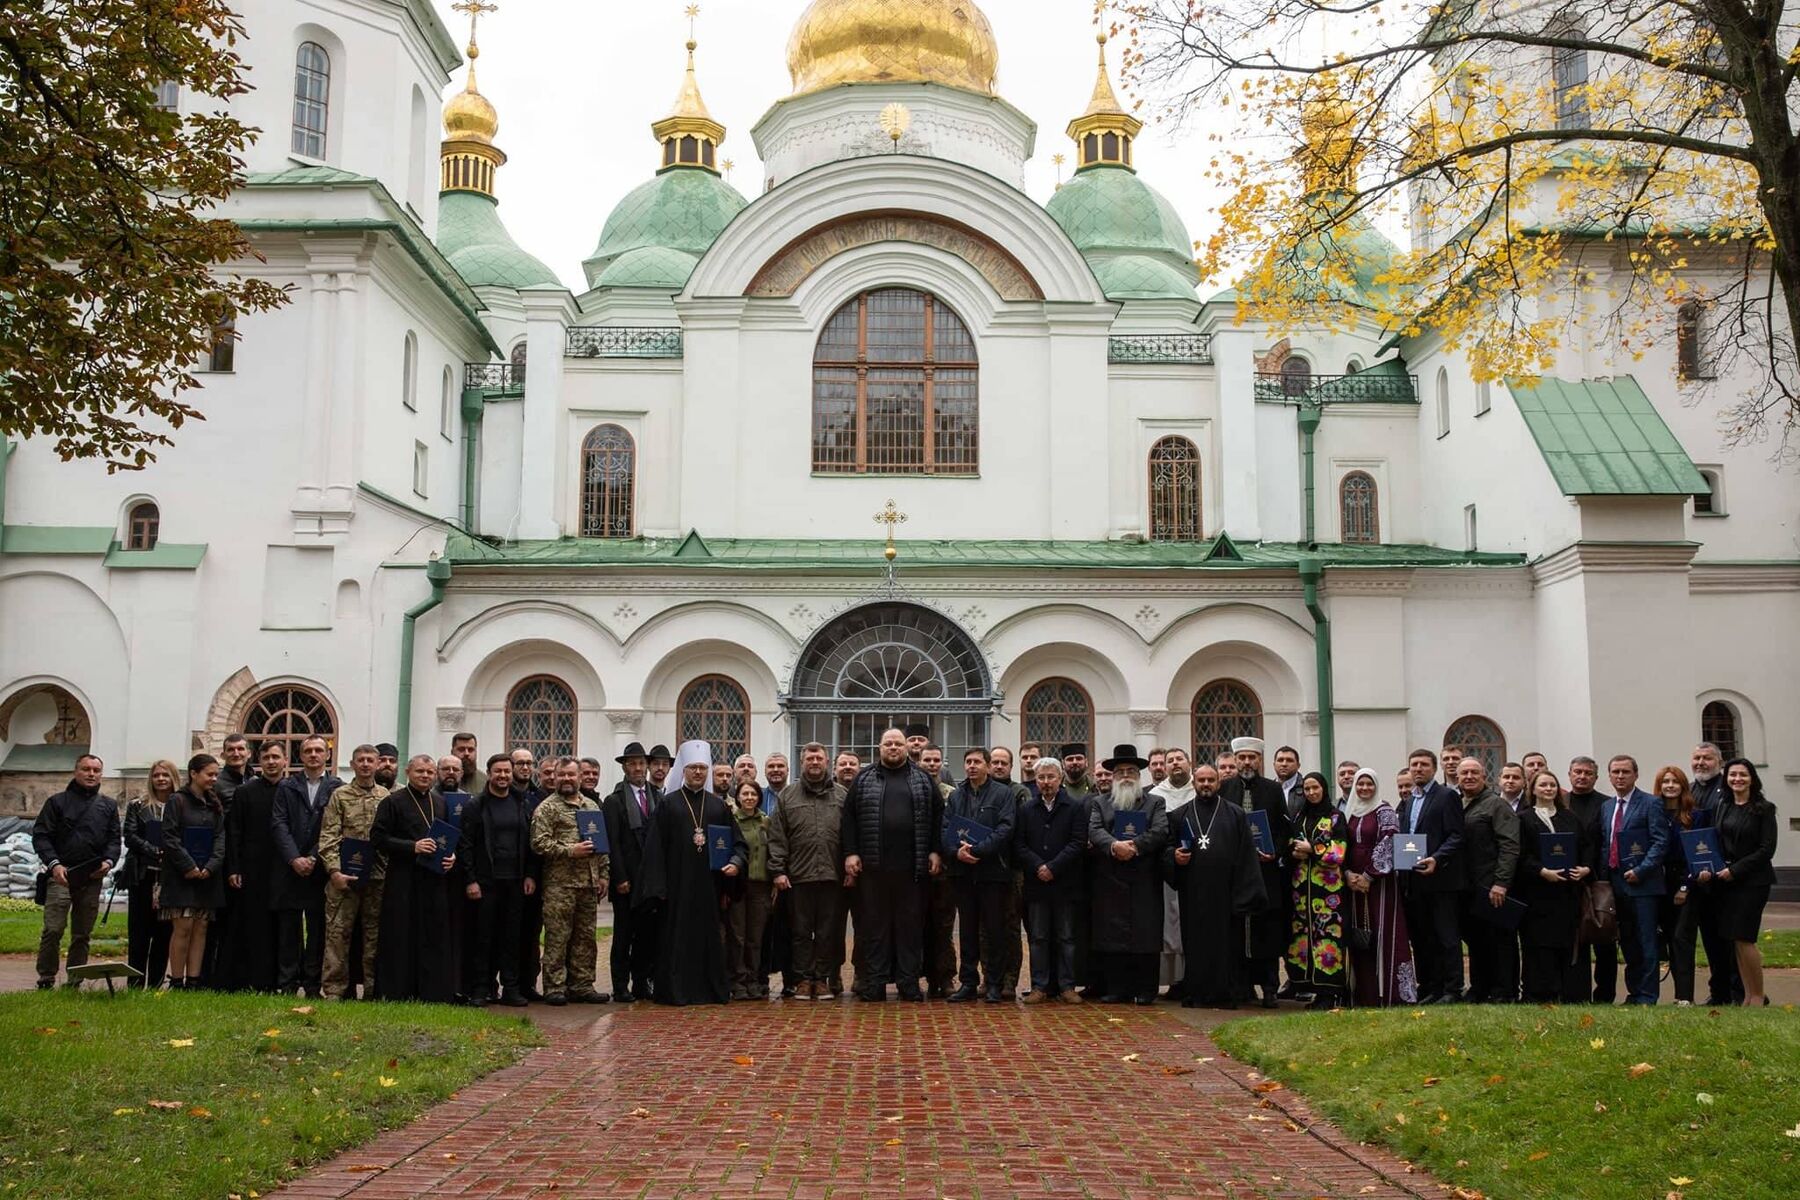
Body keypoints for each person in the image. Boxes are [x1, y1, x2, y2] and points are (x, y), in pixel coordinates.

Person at [840, 728, 942, 1001]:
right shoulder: (864, 778)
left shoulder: (922, 779)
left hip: (913, 870)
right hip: (874, 869)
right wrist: (851, 853)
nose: (894, 748)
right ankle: (875, 984)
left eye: (898, 743)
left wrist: (935, 851)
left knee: (910, 928)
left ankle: (909, 984)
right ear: (879, 747)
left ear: (907, 748)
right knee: (874, 929)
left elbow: (937, 817)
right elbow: (848, 819)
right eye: (889, 744)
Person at [640, 741, 745, 1005]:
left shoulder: (719, 807)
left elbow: (738, 843)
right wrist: (658, 887)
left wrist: (735, 861)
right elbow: (654, 849)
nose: (698, 772)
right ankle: (675, 990)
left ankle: (709, 990)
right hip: (676, 887)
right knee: (675, 939)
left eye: (702, 768)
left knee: (708, 938)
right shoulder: (668, 804)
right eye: (693, 768)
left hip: (709, 887)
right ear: (683, 771)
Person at [1162, 762, 1266, 1009]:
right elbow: (1165, 849)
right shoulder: (1180, 815)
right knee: (1195, 944)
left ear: (1219, 783)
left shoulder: (1235, 813)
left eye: (1211, 780)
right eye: (1201, 781)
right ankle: (1196, 992)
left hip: (1226, 893)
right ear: (1194, 783)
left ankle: (1226, 994)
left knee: (1227, 946)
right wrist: (1173, 857)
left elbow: (1246, 856)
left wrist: (1244, 893)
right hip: (1193, 892)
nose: (1206, 784)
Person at [369, 754, 459, 1002]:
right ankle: (397, 991)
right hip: (403, 879)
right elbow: (378, 839)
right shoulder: (392, 802)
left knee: (433, 934)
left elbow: (450, 839)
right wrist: (413, 847)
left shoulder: (440, 802)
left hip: (434, 880)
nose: (425, 776)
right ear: (408, 772)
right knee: (401, 934)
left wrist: (452, 857)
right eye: (420, 771)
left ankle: (433, 992)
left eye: (430, 772)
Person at [32, 753, 122, 990]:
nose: (91, 774)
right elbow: (41, 836)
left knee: (82, 934)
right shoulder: (56, 802)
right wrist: (54, 864)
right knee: (53, 929)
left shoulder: (108, 806)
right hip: (60, 876)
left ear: (101, 774)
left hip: (91, 878)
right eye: (86, 769)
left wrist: (109, 862)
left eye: (96, 770)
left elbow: (114, 839)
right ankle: (46, 977)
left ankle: (75, 980)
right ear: (76, 771)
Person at [1087, 745, 1168, 1005]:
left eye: (1130, 771)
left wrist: (1134, 847)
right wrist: (1114, 846)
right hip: (1110, 879)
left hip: (1144, 878)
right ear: (1111, 776)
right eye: (1119, 771)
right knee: (1113, 936)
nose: (1125, 776)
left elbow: (1160, 830)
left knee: (1145, 935)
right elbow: (1095, 830)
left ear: (1138, 774)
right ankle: (1117, 988)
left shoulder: (1155, 801)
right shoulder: (1100, 802)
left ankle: (1146, 990)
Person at [529, 758, 609, 1006]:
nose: (566, 779)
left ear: (579, 777)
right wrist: (569, 850)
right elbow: (538, 843)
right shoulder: (547, 808)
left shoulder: (591, 806)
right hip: (559, 885)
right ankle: (554, 987)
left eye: (571, 775)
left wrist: (604, 874)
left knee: (585, 938)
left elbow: (602, 845)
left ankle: (582, 985)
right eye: (561, 775)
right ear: (554, 776)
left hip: (588, 883)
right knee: (557, 938)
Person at [768, 742, 844, 1000]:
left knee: (827, 932)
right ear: (802, 763)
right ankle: (801, 979)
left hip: (832, 876)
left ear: (827, 762)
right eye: (809, 759)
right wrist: (778, 870)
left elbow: (850, 836)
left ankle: (821, 979)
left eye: (819, 759)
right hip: (798, 877)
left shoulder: (841, 795)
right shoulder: (788, 796)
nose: (814, 763)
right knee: (800, 932)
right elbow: (777, 837)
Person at [940, 748, 1016, 1003]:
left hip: (992, 872)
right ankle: (968, 983)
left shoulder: (1003, 794)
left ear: (986, 766)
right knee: (967, 931)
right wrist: (956, 852)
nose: (971, 766)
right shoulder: (956, 796)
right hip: (962, 873)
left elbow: (1006, 828)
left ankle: (993, 983)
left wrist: (979, 850)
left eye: (977, 762)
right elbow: (945, 828)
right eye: (968, 762)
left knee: (994, 930)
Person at [1218, 737, 1289, 1007]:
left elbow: (1284, 830)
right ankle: (1241, 987)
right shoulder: (1225, 788)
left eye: (1252, 758)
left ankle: (1269, 987)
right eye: (1242, 758)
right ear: (1235, 760)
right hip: (1236, 874)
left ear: (1259, 760)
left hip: (1265, 872)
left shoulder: (1273, 790)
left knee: (1265, 930)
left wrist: (1276, 852)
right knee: (1236, 930)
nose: (1247, 762)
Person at [461, 755, 535, 1006]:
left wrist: (529, 875)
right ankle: (481, 988)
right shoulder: (476, 805)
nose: (503, 776)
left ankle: (511, 988)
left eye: (507, 771)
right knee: (484, 938)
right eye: (498, 772)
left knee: (511, 937)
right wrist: (470, 880)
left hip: (515, 881)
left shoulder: (521, 802)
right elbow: (466, 845)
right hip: (486, 882)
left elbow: (530, 843)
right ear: (489, 773)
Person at [271, 736, 341, 998]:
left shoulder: (336, 787)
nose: (313, 755)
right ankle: (287, 983)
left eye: (318, 750)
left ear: (327, 756)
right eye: (308, 751)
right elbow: (278, 824)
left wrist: (313, 857)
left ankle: (313, 984)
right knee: (289, 928)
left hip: (319, 868)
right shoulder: (287, 786)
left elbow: (334, 828)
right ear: (301, 756)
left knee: (317, 929)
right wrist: (294, 858)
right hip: (290, 868)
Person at [1515, 768, 1592, 1003]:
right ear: (1533, 789)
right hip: (1538, 894)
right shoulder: (1523, 819)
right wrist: (1541, 871)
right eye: (1543, 785)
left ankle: (1571, 994)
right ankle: (1540, 994)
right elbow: (1520, 854)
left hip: (1568, 893)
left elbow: (1586, 847)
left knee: (1569, 944)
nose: (1548, 789)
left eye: (1552, 785)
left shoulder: (1571, 817)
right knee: (1539, 945)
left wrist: (1586, 868)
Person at [1395, 749, 1466, 1004]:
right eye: (1414, 765)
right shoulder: (1409, 800)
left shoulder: (1447, 796)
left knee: (1446, 936)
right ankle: (1430, 987)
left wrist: (1437, 858)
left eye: (1424, 765)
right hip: (1414, 881)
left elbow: (1457, 835)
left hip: (1441, 880)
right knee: (1423, 938)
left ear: (1434, 769)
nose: (1418, 769)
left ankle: (1452, 989)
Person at [318, 744, 387, 1001]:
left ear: (378, 764)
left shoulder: (387, 796)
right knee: (337, 934)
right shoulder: (340, 795)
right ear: (353, 763)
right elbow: (328, 836)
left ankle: (372, 990)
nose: (366, 764)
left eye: (371, 760)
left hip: (377, 877)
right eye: (361, 760)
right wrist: (334, 870)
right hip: (343, 878)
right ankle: (335, 990)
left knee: (374, 936)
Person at [1342, 769, 1416, 1008]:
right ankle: (1364, 994)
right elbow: (1340, 843)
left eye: (1369, 784)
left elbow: (1389, 842)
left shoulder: (1385, 811)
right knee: (1359, 937)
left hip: (1379, 885)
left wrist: (1368, 875)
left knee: (1383, 934)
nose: (1364, 788)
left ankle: (1389, 994)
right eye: (1360, 784)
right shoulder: (1348, 811)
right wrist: (1348, 875)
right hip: (1352, 884)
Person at [1706, 759, 1778, 1007]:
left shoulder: (1764, 808)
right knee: (1735, 939)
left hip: (1753, 882)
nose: (1737, 779)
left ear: (1752, 778)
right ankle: (1746, 995)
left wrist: (1735, 871)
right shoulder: (1723, 806)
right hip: (1726, 883)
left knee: (1746, 937)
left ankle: (1758, 996)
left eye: (1742, 775)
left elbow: (1766, 849)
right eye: (1732, 775)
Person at [219, 739, 289, 992]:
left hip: (284, 867)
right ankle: (247, 979)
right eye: (267, 757)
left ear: (285, 761)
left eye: (275, 757)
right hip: (251, 867)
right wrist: (234, 868)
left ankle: (276, 980)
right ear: (259, 761)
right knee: (251, 924)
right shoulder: (245, 792)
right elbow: (234, 831)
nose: (271, 762)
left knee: (279, 926)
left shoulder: (291, 790)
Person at [1016, 758, 1087, 1003]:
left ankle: (1067, 986)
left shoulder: (1075, 807)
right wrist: (1038, 866)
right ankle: (1039, 986)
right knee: (1038, 937)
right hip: (1037, 884)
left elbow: (1078, 842)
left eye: (1051, 777)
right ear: (1035, 781)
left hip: (1065, 883)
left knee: (1066, 937)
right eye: (1041, 778)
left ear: (1061, 778)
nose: (1046, 782)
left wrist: (1053, 867)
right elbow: (1019, 844)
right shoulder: (1026, 809)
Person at [1599, 755, 1668, 1005]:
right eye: (1615, 772)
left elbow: (1661, 842)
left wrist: (1642, 870)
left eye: (1625, 772)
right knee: (1627, 941)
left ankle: (1648, 995)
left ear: (1636, 775)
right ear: (1609, 776)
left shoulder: (1651, 804)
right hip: (1616, 883)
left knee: (1646, 940)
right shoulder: (1607, 807)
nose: (1620, 776)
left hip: (1643, 884)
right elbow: (1606, 845)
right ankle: (1634, 992)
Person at [1456, 757, 1520, 1004]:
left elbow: (1510, 845)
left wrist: (1501, 882)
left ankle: (1504, 991)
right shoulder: (1459, 804)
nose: (1469, 777)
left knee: (1500, 941)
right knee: (1476, 940)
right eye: (1464, 773)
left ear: (1485, 777)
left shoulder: (1496, 805)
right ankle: (1480, 988)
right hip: (1468, 887)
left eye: (1474, 772)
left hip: (1492, 885)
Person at [159, 754, 227, 989]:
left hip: (207, 875)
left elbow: (220, 837)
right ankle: (177, 979)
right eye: (210, 774)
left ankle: (194, 979)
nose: (214, 779)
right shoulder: (177, 801)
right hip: (182, 875)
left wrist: (210, 866)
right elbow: (169, 837)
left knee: (201, 927)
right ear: (194, 774)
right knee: (184, 926)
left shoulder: (213, 803)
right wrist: (189, 866)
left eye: (216, 774)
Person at [603, 741, 661, 1002]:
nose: (637, 768)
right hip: (627, 879)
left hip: (649, 880)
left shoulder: (658, 798)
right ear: (625, 767)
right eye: (632, 763)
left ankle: (641, 983)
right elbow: (612, 843)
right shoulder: (614, 802)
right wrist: (620, 877)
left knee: (647, 936)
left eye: (641, 763)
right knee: (623, 936)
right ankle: (619, 986)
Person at [1287, 772, 1349, 1009]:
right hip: (1302, 890)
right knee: (1303, 938)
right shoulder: (1300, 816)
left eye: (1316, 788)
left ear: (1323, 789)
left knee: (1327, 937)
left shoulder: (1335, 816)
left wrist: (1312, 849)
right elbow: (1290, 841)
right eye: (1307, 789)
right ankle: (1309, 987)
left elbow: (1340, 851)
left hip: (1327, 892)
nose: (1312, 793)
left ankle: (1329, 993)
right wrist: (1294, 850)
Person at [1686, 742, 1741, 1004]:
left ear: (1719, 762)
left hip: (1726, 877)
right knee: (1709, 938)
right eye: (1696, 758)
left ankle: (1739, 989)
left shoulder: (1727, 789)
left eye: (1707, 758)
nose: (1700, 763)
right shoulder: (1690, 790)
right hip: (1700, 880)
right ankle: (1719, 992)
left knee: (1731, 938)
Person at [1565, 755, 1617, 1003]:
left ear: (1596, 777)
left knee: (1603, 937)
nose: (1582, 776)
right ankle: (1577, 993)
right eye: (1577, 772)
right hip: (1566, 882)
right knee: (1576, 939)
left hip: (1599, 881)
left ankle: (1605, 994)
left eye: (1587, 773)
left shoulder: (1607, 805)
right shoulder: (1562, 802)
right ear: (1570, 774)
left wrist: (1591, 869)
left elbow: (1608, 843)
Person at [122, 760, 176, 989]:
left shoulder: (180, 804)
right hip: (143, 875)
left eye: (166, 775)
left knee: (164, 933)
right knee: (139, 933)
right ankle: (134, 982)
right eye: (157, 775)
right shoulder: (138, 805)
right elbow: (130, 836)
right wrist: (154, 851)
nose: (161, 779)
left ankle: (155, 983)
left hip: (169, 878)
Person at [1652, 764, 1704, 1005]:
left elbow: (1698, 856)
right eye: (1665, 782)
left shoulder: (1696, 816)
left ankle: (1684, 997)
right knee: (1661, 939)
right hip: (1656, 883)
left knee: (1681, 940)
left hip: (1685, 883)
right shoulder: (1653, 812)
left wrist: (1685, 887)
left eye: (1674, 781)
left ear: (1683, 785)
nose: (1670, 786)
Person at [1149, 749, 1198, 999]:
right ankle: (1174, 980)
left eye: (1180, 759)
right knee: (1171, 924)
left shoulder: (1200, 789)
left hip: (1200, 869)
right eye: (1170, 761)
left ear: (1190, 763)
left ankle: (1197, 976)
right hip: (1169, 870)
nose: (1175, 763)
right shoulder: (1156, 796)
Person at [724, 779, 773, 1000]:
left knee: (756, 937)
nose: (749, 798)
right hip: (737, 887)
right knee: (737, 936)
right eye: (745, 794)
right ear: (738, 797)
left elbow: (774, 853)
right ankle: (738, 981)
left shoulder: (766, 822)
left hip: (761, 886)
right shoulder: (730, 821)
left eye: (753, 794)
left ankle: (754, 980)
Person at [987, 745, 1029, 998]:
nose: (999, 766)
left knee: (1011, 926)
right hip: (986, 867)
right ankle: (988, 977)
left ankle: (1009, 979)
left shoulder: (1019, 792)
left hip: (1014, 868)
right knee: (986, 927)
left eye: (1004, 762)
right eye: (995, 762)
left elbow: (1019, 828)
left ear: (1011, 766)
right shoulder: (980, 791)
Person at [917, 741, 958, 998]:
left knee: (943, 926)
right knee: (917, 925)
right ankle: (917, 975)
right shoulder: (911, 789)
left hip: (945, 870)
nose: (932, 765)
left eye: (936, 760)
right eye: (927, 760)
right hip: (916, 869)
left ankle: (944, 977)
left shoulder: (952, 794)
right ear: (919, 762)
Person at [509, 747, 547, 999]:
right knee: (509, 932)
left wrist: (532, 874)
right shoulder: (501, 795)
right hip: (506, 875)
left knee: (531, 934)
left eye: (528, 763)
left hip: (532, 876)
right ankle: (506, 984)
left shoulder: (539, 797)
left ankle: (528, 984)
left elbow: (536, 843)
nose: (524, 767)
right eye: (519, 763)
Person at [451, 732, 485, 797]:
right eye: (461, 749)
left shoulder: (486, 782)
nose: (466, 753)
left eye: (471, 750)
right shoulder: (440, 780)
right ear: (452, 752)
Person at [1272, 746, 1302, 816]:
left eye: (1289, 760)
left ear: (1298, 765)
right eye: (1280, 760)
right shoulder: (1267, 789)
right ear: (1274, 765)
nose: (1284, 764)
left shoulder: (1307, 788)